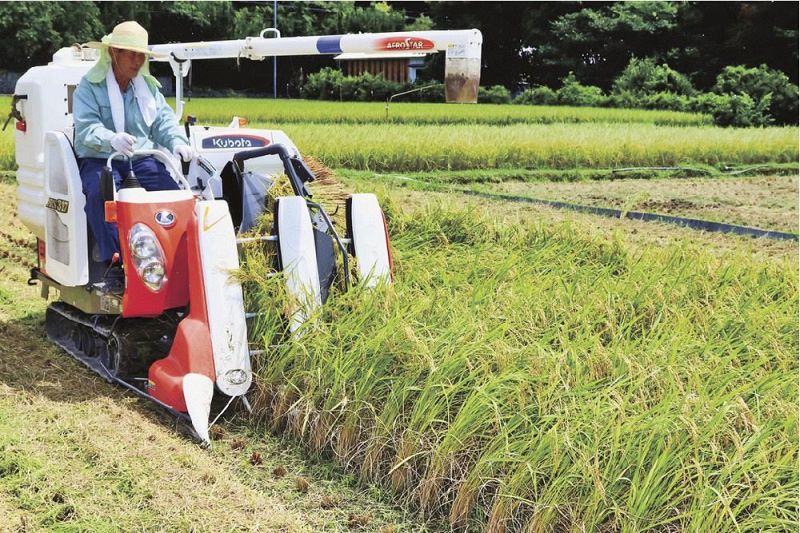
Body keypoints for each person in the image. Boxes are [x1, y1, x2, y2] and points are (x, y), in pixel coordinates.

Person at [73, 21, 195, 265]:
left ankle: (177, 259)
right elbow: (86, 129)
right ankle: (116, 262)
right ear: (113, 53)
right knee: (102, 195)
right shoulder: (89, 87)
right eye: (132, 55)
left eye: (142, 56)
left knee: (174, 196)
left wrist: (178, 142)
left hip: (140, 161)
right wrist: (111, 139)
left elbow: (163, 122)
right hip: (100, 160)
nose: (138, 62)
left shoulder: (147, 89)